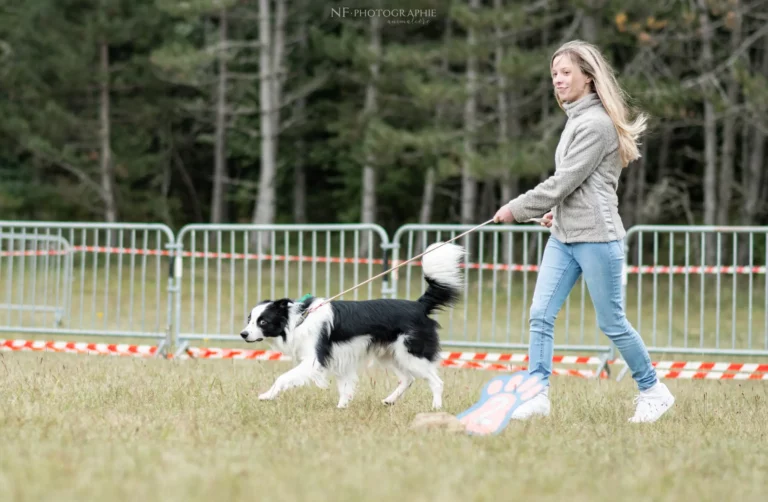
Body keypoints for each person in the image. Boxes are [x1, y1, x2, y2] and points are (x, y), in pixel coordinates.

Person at [492, 40, 674, 423]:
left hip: (597, 237)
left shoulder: (596, 124)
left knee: (611, 323)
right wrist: (555, 214)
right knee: (540, 313)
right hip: (564, 235)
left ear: (588, 79)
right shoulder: (576, 118)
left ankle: (653, 390)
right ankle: (536, 393)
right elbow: (578, 186)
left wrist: (517, 209)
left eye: (566, 73)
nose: (557, 80)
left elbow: (564, 181)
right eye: (554, 73)